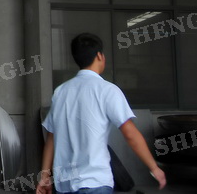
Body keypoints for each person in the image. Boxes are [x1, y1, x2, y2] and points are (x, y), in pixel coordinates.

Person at [37, 33, 167, 194]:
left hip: (65, 185)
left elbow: (51, 138)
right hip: (95, 182)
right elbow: (130, 134)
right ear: (99, 56)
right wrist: (154, 168)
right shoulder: (107, 90)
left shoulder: (60, 92)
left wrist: (45, 177)